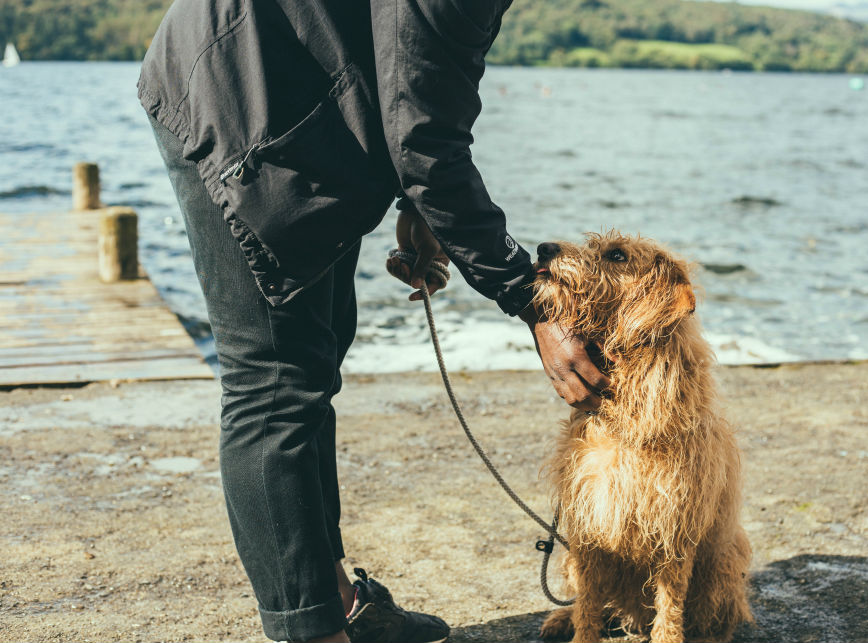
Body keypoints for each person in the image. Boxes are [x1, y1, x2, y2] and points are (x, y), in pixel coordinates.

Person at [138, 1, 609, 642]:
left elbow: (423, 82)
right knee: (275, 385)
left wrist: (421, 199)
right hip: (240, 93)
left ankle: (338, 603)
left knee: (315, 359)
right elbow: (421, 133)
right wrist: (531, 302)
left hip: (302, 100)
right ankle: (314, 632)